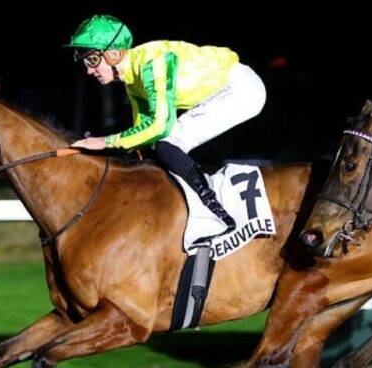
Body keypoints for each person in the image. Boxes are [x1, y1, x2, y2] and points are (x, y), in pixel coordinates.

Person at [66, 14, 267, 238]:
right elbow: (141, 138)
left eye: (92, 60)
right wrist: (104, 149)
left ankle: (218, 216)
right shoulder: (133, 83)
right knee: (157, 149)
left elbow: (160, 125)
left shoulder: (154, 63)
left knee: (167, 144)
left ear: (114, 53)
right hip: (230, 89)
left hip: (241, 88)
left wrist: (105, 141)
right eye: (85, 62)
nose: (89, 70)